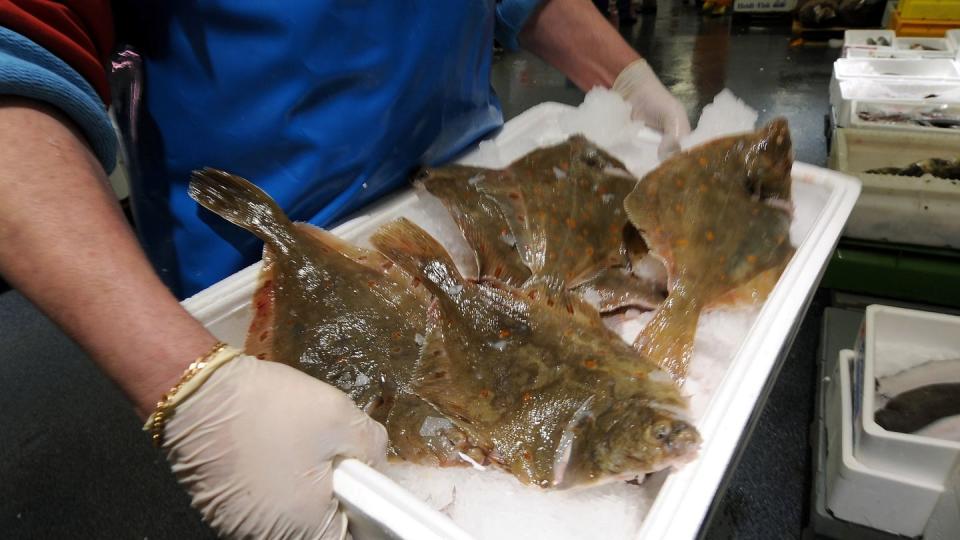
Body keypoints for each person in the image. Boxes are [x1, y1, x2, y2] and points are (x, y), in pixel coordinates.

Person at [0, 1, 690, 538]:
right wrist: (193, 388)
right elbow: (18, 43)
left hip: (459, 177)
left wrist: (623, 75)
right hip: (239, 258)